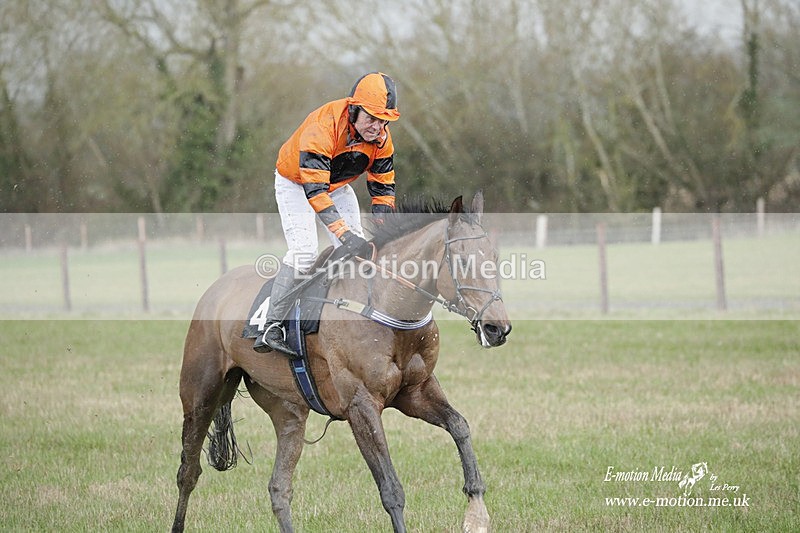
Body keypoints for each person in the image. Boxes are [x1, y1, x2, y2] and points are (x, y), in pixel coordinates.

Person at [254, 72, 401, 357]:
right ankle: (271, 325)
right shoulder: (323, 126)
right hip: (298, 183)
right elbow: (316, 193)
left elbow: (383, 186)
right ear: (353, 110)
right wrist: (345, 234)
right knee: (305, 252)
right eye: (371, 118)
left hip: (336, 185)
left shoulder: (382, 138)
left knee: (356, 254)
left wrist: (384, 230)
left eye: (384, 120)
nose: (378, 127)